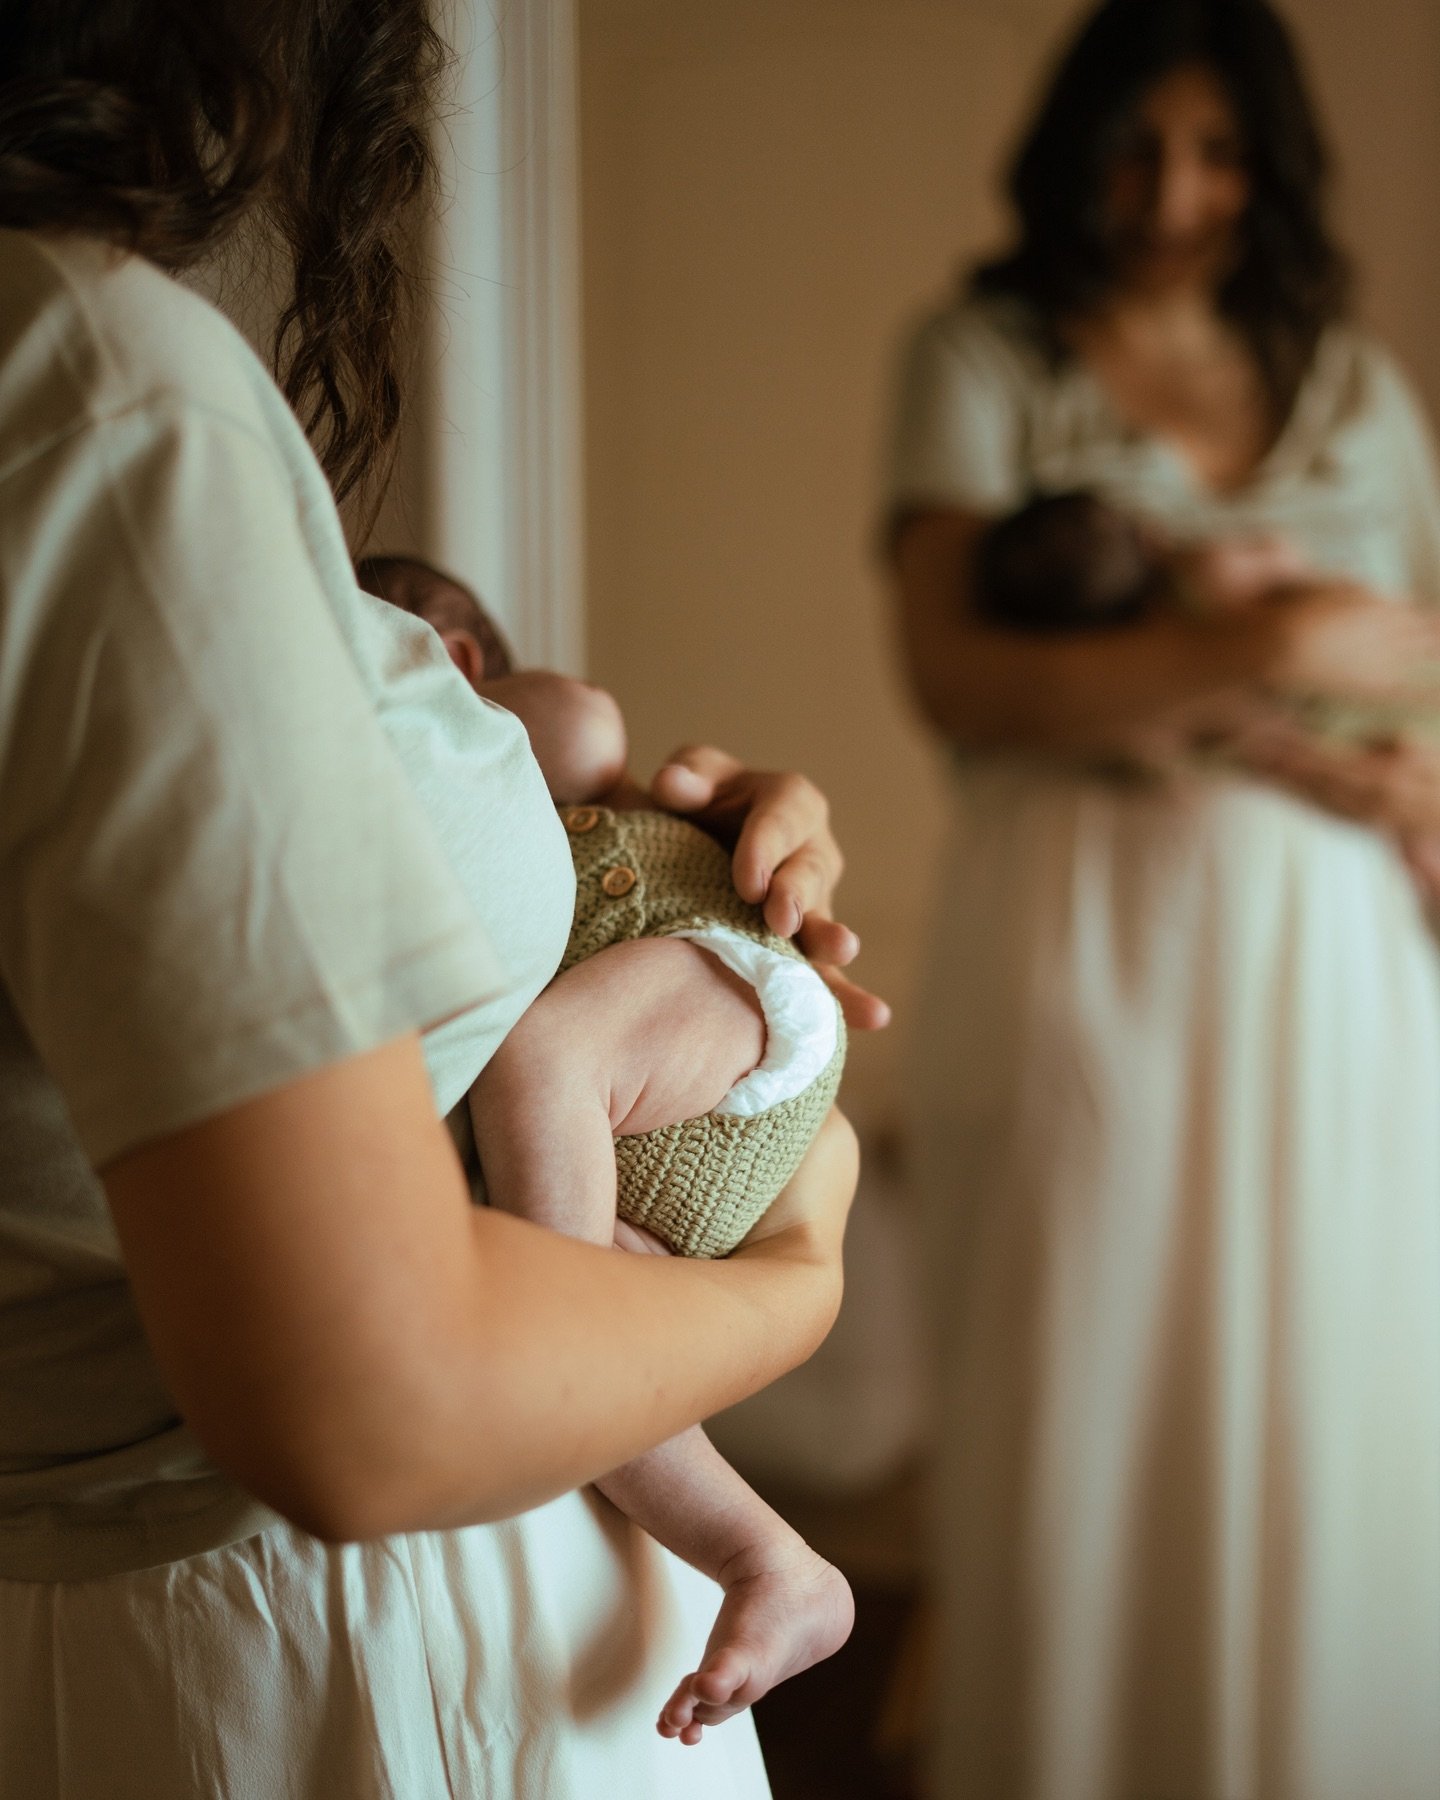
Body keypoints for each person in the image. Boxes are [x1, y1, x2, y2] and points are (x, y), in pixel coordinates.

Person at [0, 6, 878, 1796]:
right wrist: (801, 1279)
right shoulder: (101, 399)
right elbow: (374, 1408)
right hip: (368, 1640)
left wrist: (677, 847)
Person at [884, 2, 1440, 1795]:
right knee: (1087, 1394)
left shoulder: (1351, 382)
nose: (1173, 190)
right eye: (1136, 145)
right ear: (1075, 147)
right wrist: (1286, 641)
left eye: (1214, 150)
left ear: (1268, 163)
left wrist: (1215, 667)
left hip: (1338, 953)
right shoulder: (979, 358)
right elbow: (970, 680)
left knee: (1329, 1402)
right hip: (1085, 936)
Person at [368, 559, 855, 1745]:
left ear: (455, 660)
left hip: (710, 979)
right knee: (610, 1370)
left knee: (540, 1069)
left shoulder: (539, 725)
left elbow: (582, 717)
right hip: (630, 1132)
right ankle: (771, 1562)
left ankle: (558, 1320)